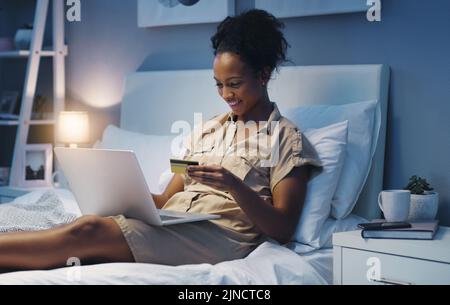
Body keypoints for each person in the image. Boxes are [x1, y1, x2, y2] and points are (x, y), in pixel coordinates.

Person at [0, 9, 321, 272]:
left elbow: (283, 227)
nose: (226, 95)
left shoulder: (287, 139)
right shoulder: (208, 129)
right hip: (176, 223)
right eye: (219, 85)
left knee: (87, 232)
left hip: (220, 235)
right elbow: (168, 200)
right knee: (87, 226)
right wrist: (122, 189)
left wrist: (233, 185)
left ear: (263, 75)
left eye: (234, 84)